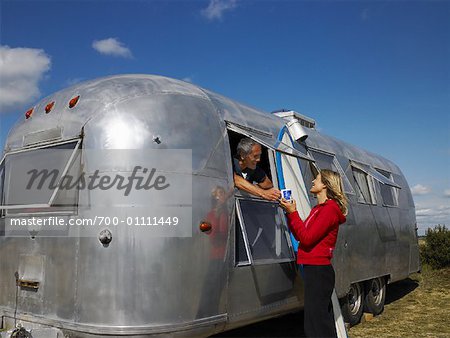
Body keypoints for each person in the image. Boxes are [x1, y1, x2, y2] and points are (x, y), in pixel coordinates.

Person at [279, 169, 348, 338]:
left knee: (316, 322)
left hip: (319, 271)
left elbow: (307, 239)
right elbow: (301, 236)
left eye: (316, 179)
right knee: (318, 319)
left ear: (325, 184)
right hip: (314, 269)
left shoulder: (329, 210)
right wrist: (290, 212)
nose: (312, 182)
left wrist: (293, 212)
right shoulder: (318, 209)